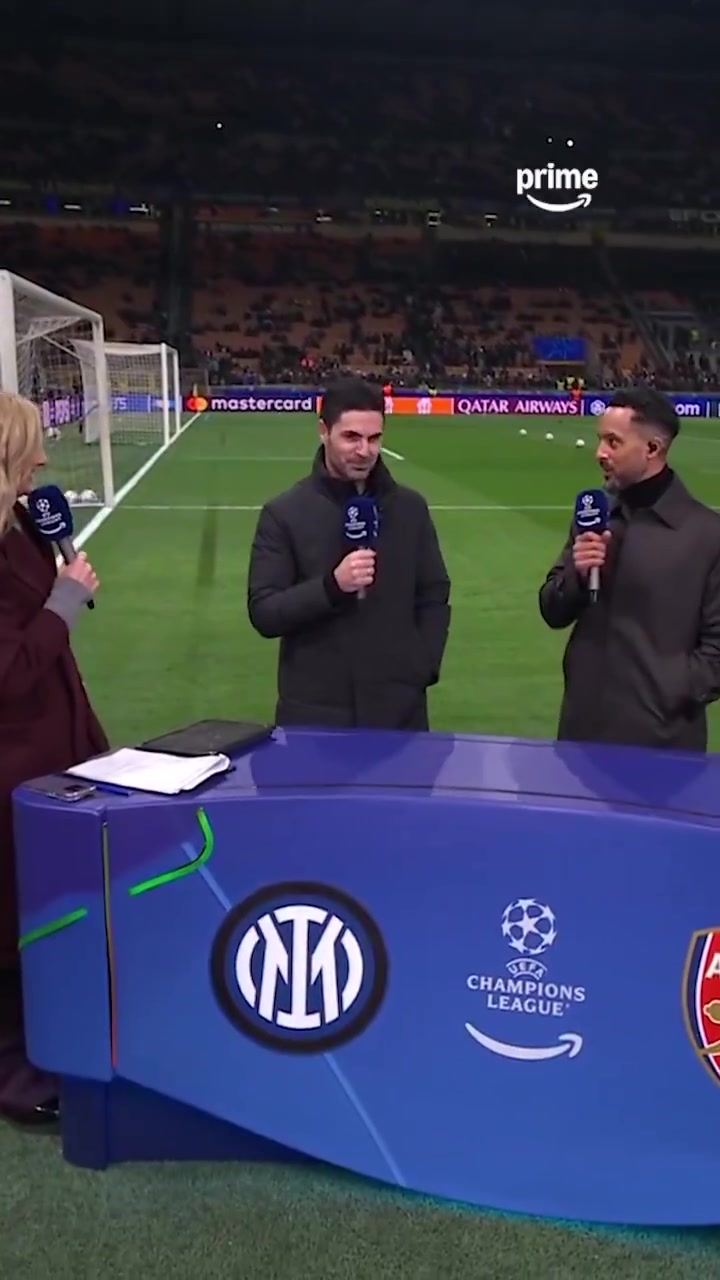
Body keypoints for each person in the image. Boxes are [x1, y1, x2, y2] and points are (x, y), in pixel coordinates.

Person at [0, 391, 107, 1128]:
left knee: (45, 905)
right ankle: (17, 1072)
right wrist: (65, 600)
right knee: (12, 911)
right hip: (11, 761)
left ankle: (48, 1047)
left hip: (55, 748)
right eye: (32, 448)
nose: (44, 459)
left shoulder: (23, 529)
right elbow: (9, 673)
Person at [247, 375, 451, 730]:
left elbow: (434, 593)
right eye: (351, 437)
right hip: (314, 715)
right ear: (323, 431)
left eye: (374, 438)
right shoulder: (284, 513)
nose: (365, 451)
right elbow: (264, 612)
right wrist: (331, 587)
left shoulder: (410, 508)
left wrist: (422, 666)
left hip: (400, 710)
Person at [539, 385, 720, 752]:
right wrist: (578, 574)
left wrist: (667, 693)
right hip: (581, 731)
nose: (599, 453)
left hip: (662, 742)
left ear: (652, 448)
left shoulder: (706, 534)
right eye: (600, 440)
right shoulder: (595, 515)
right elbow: (552, 609)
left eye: (613, 442)